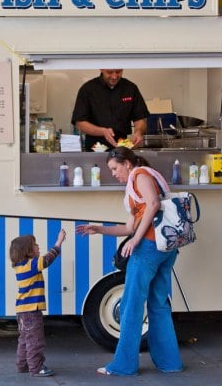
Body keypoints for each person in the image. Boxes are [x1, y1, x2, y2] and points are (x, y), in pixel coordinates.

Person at [76, 147, 183, 376]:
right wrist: (99, 229)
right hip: (166, 247)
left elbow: (153, 204)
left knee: (130, 306)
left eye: (115, 168)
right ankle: (170, 363)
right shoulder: (146, 176)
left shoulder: (140, 175)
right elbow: (128, 227)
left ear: (127, 163)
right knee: (159, 304)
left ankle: (124, 365)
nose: (114, 173)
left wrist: (135, 240)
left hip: (148, 247)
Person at [9, 229, 66, 377]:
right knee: (35, 340)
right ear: (28, 252)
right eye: (34, 245)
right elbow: (48, 259)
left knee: (24, 339)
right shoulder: (31, 265)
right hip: (31, 311)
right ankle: (36, 368)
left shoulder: (19, 266)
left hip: (22, 311)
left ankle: (22, 365)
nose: (38, 246)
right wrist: (59, 242)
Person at [71, 69, 149, 151]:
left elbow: (140, 118)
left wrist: (139, 132)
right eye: (110, 72)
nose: (114, 76)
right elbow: (79, 123)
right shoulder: (88, 89)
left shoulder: (130, 88)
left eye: (118, 72)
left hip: (122, 147)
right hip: (95, 147)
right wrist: (102, 131)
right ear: (102, 69)